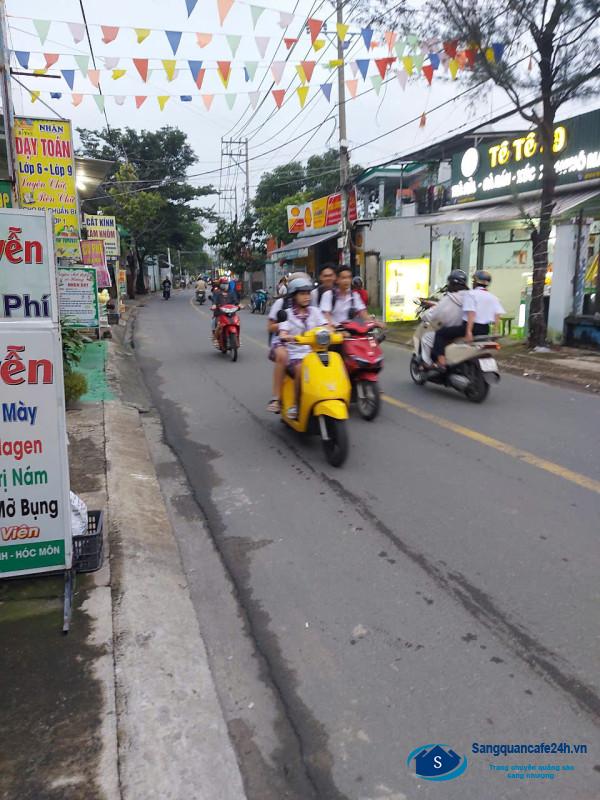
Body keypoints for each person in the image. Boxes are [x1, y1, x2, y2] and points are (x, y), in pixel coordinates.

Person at [270, 278, 329, 419]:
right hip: (293, 353)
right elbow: (283, 331)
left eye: (308, 293)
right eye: (302, 294)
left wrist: (334, 332)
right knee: (300, 370)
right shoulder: (287, 313)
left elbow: (325, 326)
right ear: (294, 296)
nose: (306, 297)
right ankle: (296, 405)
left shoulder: (315, 312)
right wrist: (286, 336)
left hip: (312, 352)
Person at [431, 270, 505, 367]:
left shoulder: (471, 294)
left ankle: (441, 360)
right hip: (485, 329)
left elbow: (471, 313)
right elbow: (497, 315)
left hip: (469, 327)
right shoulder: (493, 297)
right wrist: (495, 331)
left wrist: (468, 331)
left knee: (440, 333)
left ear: (475, 281)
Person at [419, 270, 469, 367]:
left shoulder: (449, 298)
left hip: (452, 330)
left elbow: (434, 313)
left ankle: (428, 363)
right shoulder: (470, 296)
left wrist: (424, 317)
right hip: (468, 329)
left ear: (451, 283)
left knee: (427, 338)